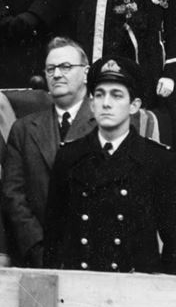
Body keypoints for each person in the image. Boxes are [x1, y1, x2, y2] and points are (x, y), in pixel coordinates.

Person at [44, 56, 176, 274]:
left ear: (134, 106)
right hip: (79, 289)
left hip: (136, 293)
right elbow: (53, 238)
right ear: (91, 104)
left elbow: (173, 241)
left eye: (116, 95)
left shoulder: (158, 160)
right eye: (99, 94)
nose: (106, 103)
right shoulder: (69, 157)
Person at [1, 37, 96, 267]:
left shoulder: (106, 123)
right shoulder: (23, 129)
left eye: (65, 67)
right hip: (39, 257)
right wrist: (37, 247)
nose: (56, 74)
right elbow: (14, 196)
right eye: (50, 68)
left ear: (85, 73)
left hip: (95, 257)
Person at [116, 0, 176, 139]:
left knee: (160, 131)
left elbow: (172, 32)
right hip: (125, 68)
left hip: (157, 72)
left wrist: (170, 74)